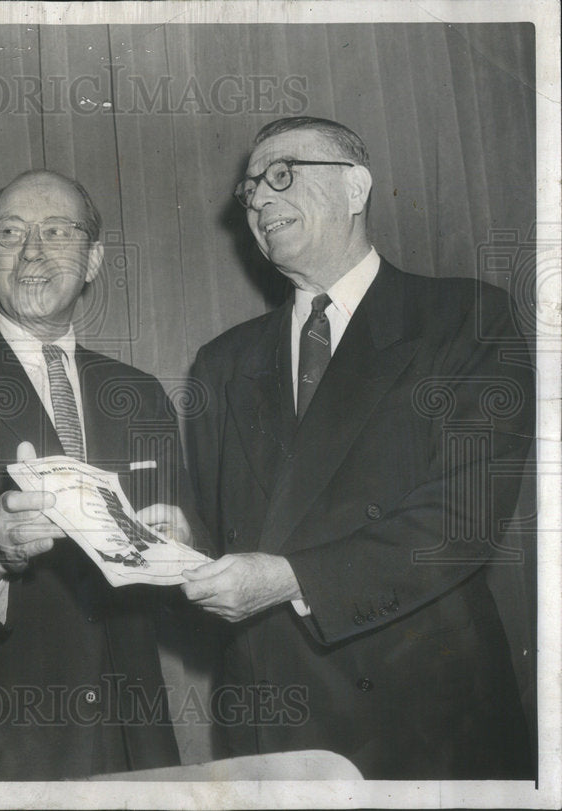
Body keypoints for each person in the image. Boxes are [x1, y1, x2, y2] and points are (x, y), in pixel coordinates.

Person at [183, 116, 534, 780]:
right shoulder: (221, 362)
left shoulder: (465, 319)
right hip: (272, 720)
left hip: (424, 721)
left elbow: (460, 522)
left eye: (282, 174)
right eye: (250, 188)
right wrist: (172, 540)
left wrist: (292, 578)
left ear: (355, 188)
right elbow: (217, 527)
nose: (258, 199)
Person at [0, 170, 200, 780]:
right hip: (3, 742)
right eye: (10, 233)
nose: (31, 251)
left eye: (56, 231)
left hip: (132, 739)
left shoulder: (140, 394)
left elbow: (184, 573)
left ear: (94, 259)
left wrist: (180, 552)